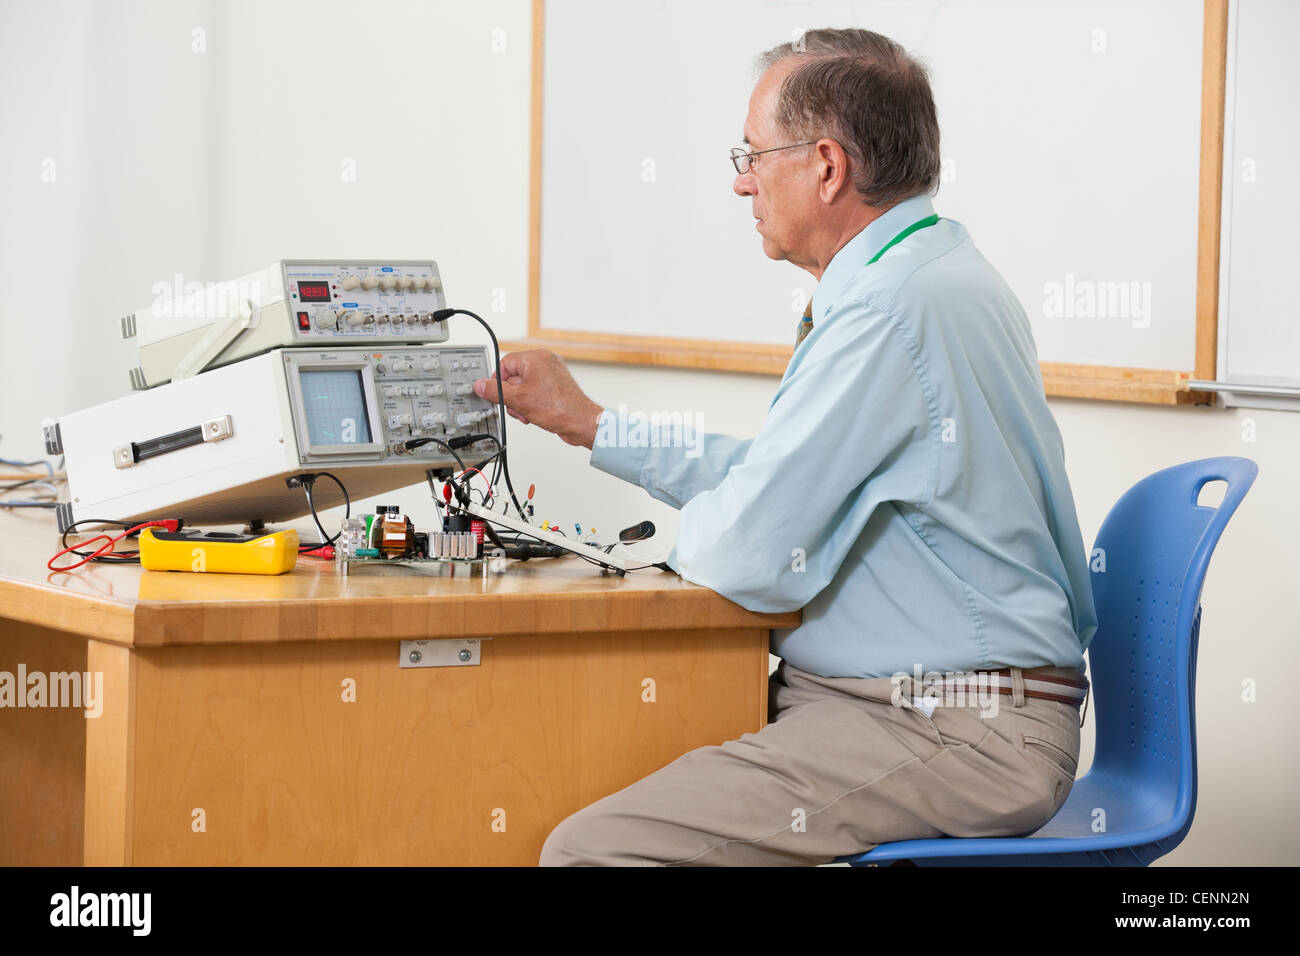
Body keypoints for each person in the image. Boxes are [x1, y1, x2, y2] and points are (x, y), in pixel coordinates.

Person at [472, 28, 1098, 866]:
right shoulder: (933, 271)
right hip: (921, 703)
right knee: (571, 759)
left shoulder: (887, 311)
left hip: (957, 729)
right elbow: (782, 483)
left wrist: (636, 551)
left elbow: (752, 549)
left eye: (753, 155)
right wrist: (589, 423)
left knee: (594, 849)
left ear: (828, 167)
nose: (741, 181)